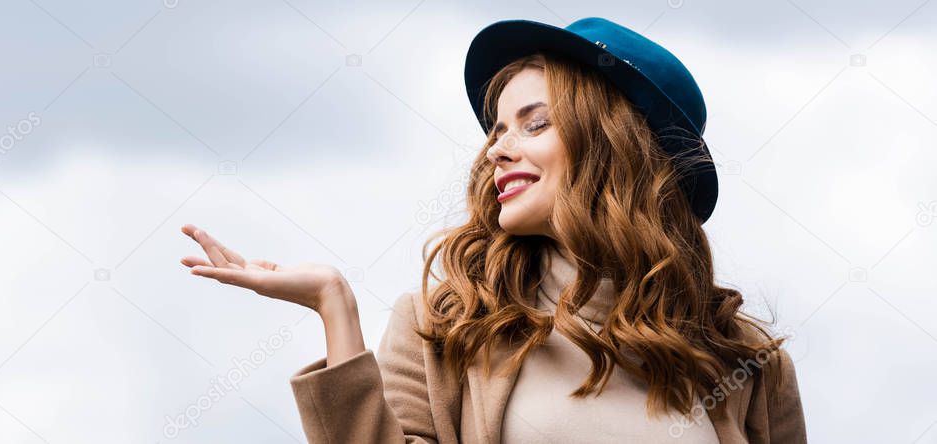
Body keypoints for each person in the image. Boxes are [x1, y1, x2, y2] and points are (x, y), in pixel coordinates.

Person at [180, 17, 807, 444]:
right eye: (497, 131)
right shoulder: (446, 327)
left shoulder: (747, 362)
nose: (497, 152)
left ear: (615, 148)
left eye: (534, 125)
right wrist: (333, 306)